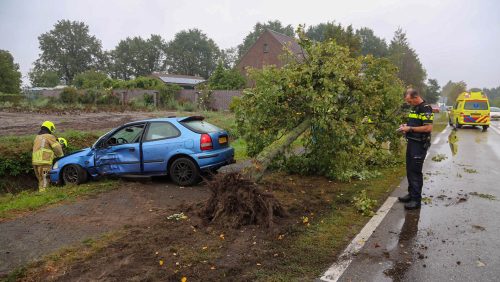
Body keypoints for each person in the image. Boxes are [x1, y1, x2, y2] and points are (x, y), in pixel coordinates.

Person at [397, 89, 433, 210]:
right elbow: (414, 123)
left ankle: (416, 200)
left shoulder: (425, 108)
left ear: (416, 97)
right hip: (412, 142)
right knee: (409, 169)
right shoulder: (415, 107)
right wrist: (405, 127)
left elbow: (428, 128)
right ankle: (411, 194)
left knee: (415, 171)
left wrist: (410, 129)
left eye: (410, 101)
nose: (409, 103)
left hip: (419, 144)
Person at [32, 121, 64, 192]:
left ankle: (40, 193)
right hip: (45, 162)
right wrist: (62, 157)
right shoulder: (49, 136)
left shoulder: (37, 137)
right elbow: (57, 148)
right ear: (50, 127)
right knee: (45, 179)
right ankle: (44, 195)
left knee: (41, 180)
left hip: (35, 162)